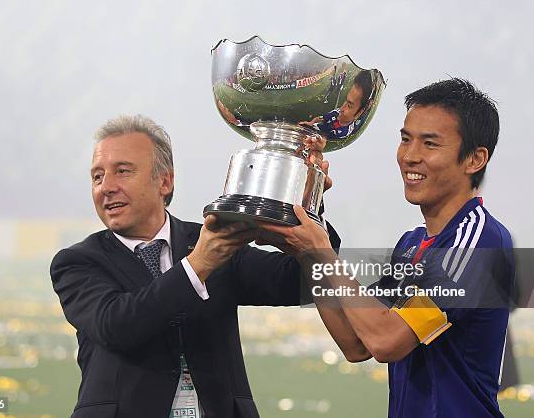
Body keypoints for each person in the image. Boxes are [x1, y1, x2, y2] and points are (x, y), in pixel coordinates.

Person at [50, 115, 338, 418]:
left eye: (122, 171)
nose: (106, 187)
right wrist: (198, 265)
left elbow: (301, 283)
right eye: (97, 177)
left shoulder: (211, 240)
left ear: (165, 181)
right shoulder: (77, 262)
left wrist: (308, 202)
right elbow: (118, 325)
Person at [260, 78, 514, 417]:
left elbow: (386, 341)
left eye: (430, 144)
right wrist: (309, 230)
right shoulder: (412, 244)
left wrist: (321, 250)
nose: (410, 157)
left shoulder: (478, 243)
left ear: (474, 159)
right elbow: (355, 341)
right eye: (405, 139)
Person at [301, 70, 373, 141]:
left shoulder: (345, 132)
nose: (341, 109)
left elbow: (325, 140)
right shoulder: (336, 112)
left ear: (359, 113)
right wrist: (311, 123)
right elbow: (320, 118)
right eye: (346, 100)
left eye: (349, 105)